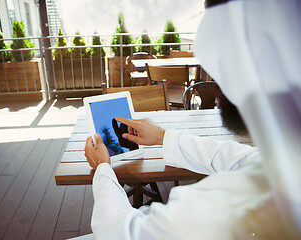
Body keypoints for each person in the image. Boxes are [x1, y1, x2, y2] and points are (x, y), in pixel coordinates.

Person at [84, 0, 301, 239]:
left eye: (222, 76)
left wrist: (102, 167)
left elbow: (119, 233)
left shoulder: (234, 205)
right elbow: (233, 157)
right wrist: (162, 137)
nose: (216, 92)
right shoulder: (284, 164)